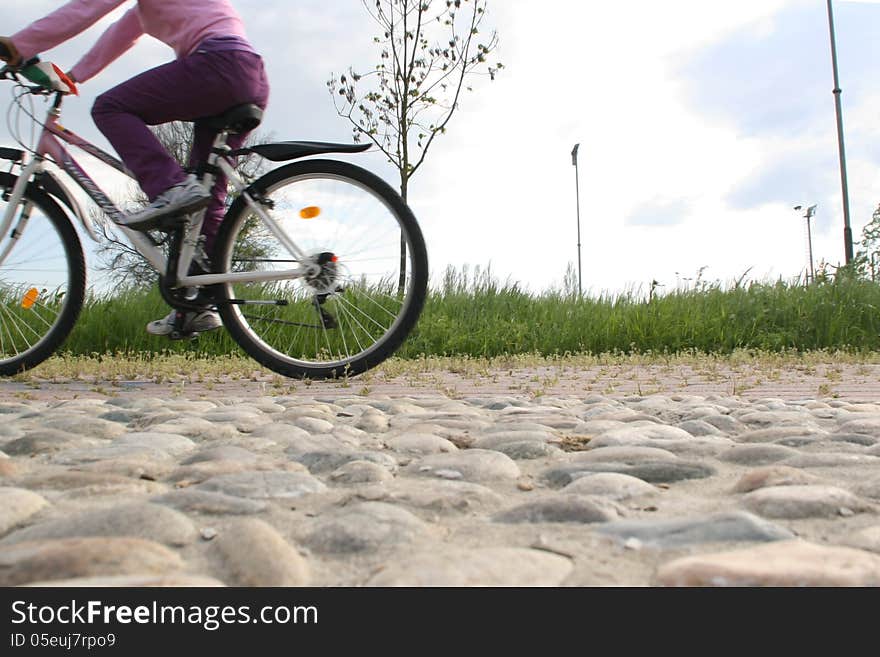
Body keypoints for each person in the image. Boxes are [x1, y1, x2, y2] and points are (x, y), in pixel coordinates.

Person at [0, 0, 270, 336]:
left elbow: (87, 7)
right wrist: (73, 77)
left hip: (215, 63)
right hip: (250, 75)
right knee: (207, 193)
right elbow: (120, 34)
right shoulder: (146, 11)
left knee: (110, 107)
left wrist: (20, 45)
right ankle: (198, 304)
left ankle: (169, 187)